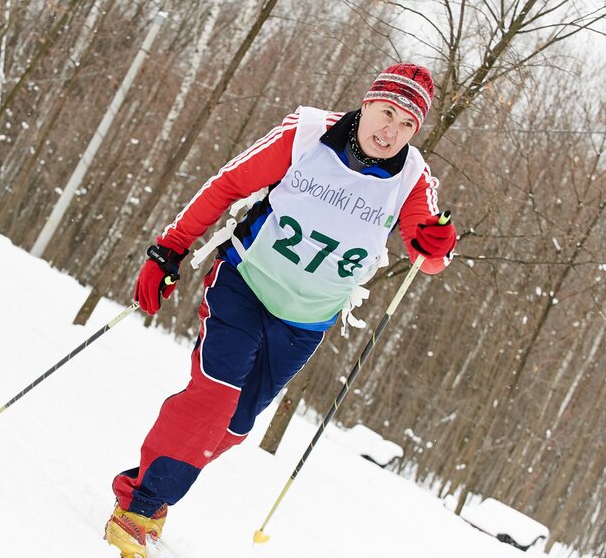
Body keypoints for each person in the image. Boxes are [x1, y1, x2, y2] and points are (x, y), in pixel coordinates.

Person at [103, 63, 457, 558]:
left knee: (234, 426)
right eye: (386, 112)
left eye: (406, 124)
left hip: (306, 320)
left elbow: (429, 253)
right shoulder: (308, 134)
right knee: (211, 399)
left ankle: (153, 492)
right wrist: (170, 249)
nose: (390, 130)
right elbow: (227, 185)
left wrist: (438, 244)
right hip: (245, 284)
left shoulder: (413, 176)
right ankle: (137, 506)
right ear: (367, 103)